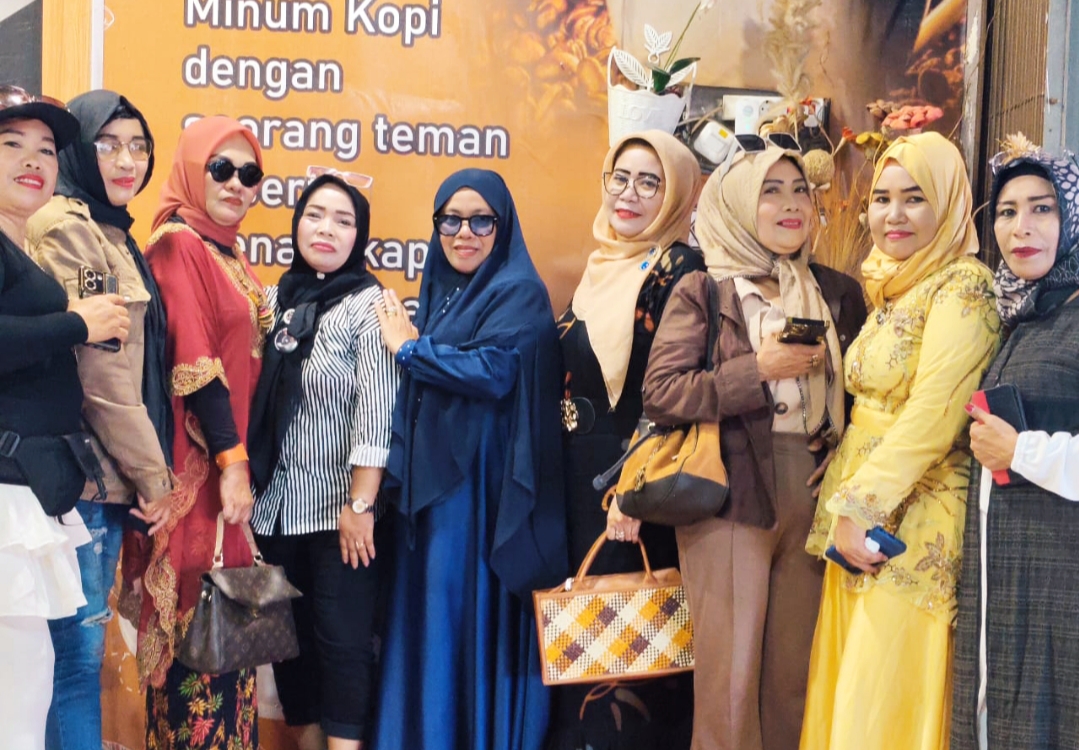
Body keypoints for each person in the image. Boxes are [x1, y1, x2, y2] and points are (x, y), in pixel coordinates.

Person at [641, 146, 866, 750]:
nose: (792, 205)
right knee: (730, 687)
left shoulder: (838, 291)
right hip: (732, 492)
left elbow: (866, 395)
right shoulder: (706, 290)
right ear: (739, 203)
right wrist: (758, 370)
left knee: (795, 680)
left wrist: (844, 452)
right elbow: (662, 393)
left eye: (800, 190)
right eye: (771, 191)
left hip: (816, 492)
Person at [799, 131, 1001, 750]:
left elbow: (934, 416)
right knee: (848, 694)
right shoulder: (895, 285)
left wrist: (860, 504)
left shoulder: (963, 286)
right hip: (861, 519)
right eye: (882, 199)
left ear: (949, 203)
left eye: (915, 198)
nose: (893, 215)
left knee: (880, 704)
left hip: (914, 523)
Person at [371, 168, 567, 750]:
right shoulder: (444, 292)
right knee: (434, 623)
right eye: (451, 220)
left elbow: (495, 371)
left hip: (482, 495)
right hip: (439, 493)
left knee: (464, 619)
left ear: (503, 227)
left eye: (482, 220)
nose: (464, 233)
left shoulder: (518, 291)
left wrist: (411, 348)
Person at [544, 129, 704, 750]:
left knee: (630, 651)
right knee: (586, 639)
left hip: (630, 490)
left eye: (650, 182)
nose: (629, 194)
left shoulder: (679, 268)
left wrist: (633, 491)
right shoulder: (602, 266)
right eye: (621, 178)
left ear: (677, 195)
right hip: (581, 486)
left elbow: (671, 391)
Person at [25, 89, 172, 750]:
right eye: (108, 144)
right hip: (85, 477)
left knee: (70, 662)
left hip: (102, 479)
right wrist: (155, 478)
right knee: (75, 665)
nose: (127, 160)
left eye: (139, 146)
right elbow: (103, 376)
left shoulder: (112, 231)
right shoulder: (70, 228)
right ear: (79, 150)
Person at [121, 115, 269, 749]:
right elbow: (198, 366)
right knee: (196, 643)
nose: (236, 184)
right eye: (221, 168)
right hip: (199, 475)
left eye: (250, 173)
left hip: (226, 483)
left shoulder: (227, 251)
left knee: (228, 642)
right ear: (191, 170)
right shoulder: (178, 245)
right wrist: (233, 464)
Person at [248, 172, 398, 750]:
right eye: (314, 215)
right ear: (296, 224)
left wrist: (361, 505)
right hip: (272, 511)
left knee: (343, 645)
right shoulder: (272, 302)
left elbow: (376, 413)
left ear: (360, 235)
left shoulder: (368, 305)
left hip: (340, 515)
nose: (326, 229)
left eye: (343, 220)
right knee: (288, 648)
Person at [0, 86, 130, 750]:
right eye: (12, 144)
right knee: (21, 696)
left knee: (28, 689)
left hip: (30, 487)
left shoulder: (20, 247)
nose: (33, 160)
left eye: (47, 149)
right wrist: (78, 323)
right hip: (8, 496)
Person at [951, 143, 1079, 749]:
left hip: (1061, 585)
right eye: (1006, 211)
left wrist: (1022, 452)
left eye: (1042, 208)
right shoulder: (1020, 316)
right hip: (1004, 588)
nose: (1021, 227)